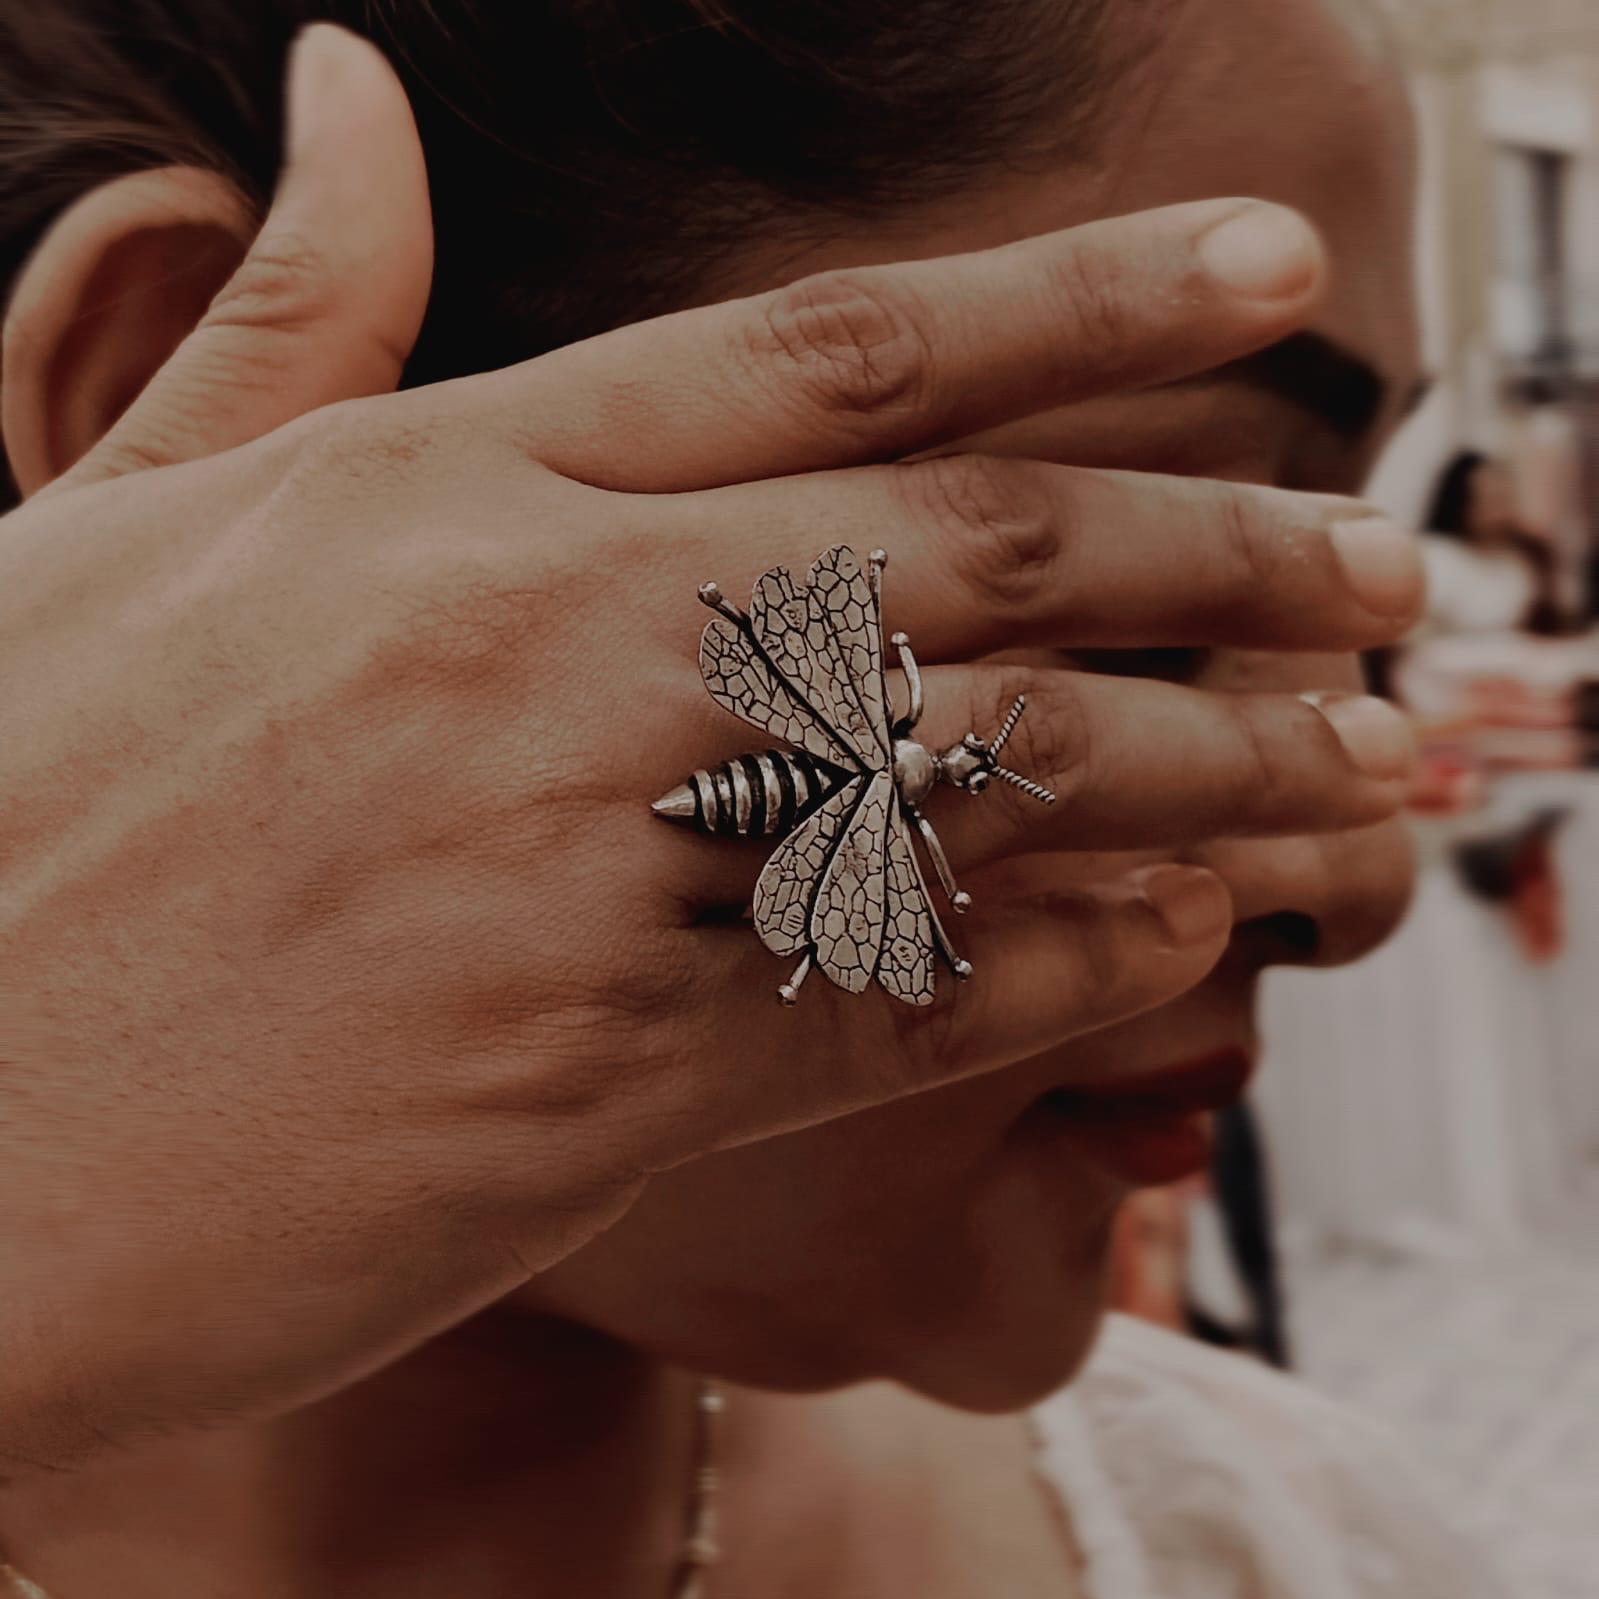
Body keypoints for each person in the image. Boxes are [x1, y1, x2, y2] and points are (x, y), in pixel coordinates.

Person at [0, 4, 1485, 1596]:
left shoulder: (1289, 1544)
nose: (1354, 880)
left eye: (1338, 568)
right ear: (182, 405)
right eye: (1139, 596)